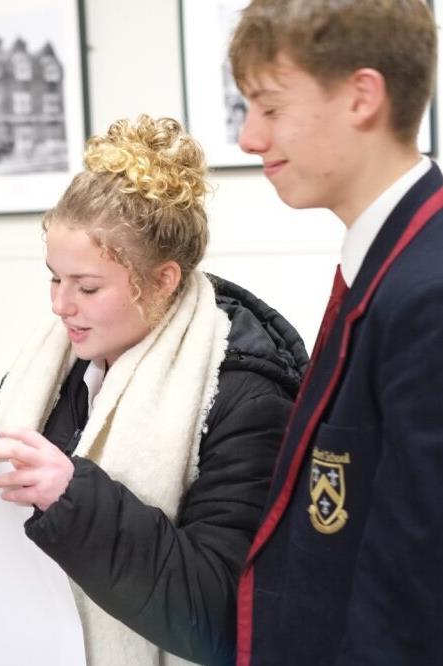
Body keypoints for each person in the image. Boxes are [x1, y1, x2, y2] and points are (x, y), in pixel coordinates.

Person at [0, 115, 308, 665]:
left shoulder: (247, 396)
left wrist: (73, 497)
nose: (59, 305)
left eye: (87, 287)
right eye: (54, 277)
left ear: (163, 280)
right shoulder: (53, 368)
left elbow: (220, 613)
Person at [228, 2, 442, 664]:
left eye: (269, 107)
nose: (248, 138)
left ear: (360, 97)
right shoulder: (390, 266)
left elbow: (414, 598)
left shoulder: (427, 294)